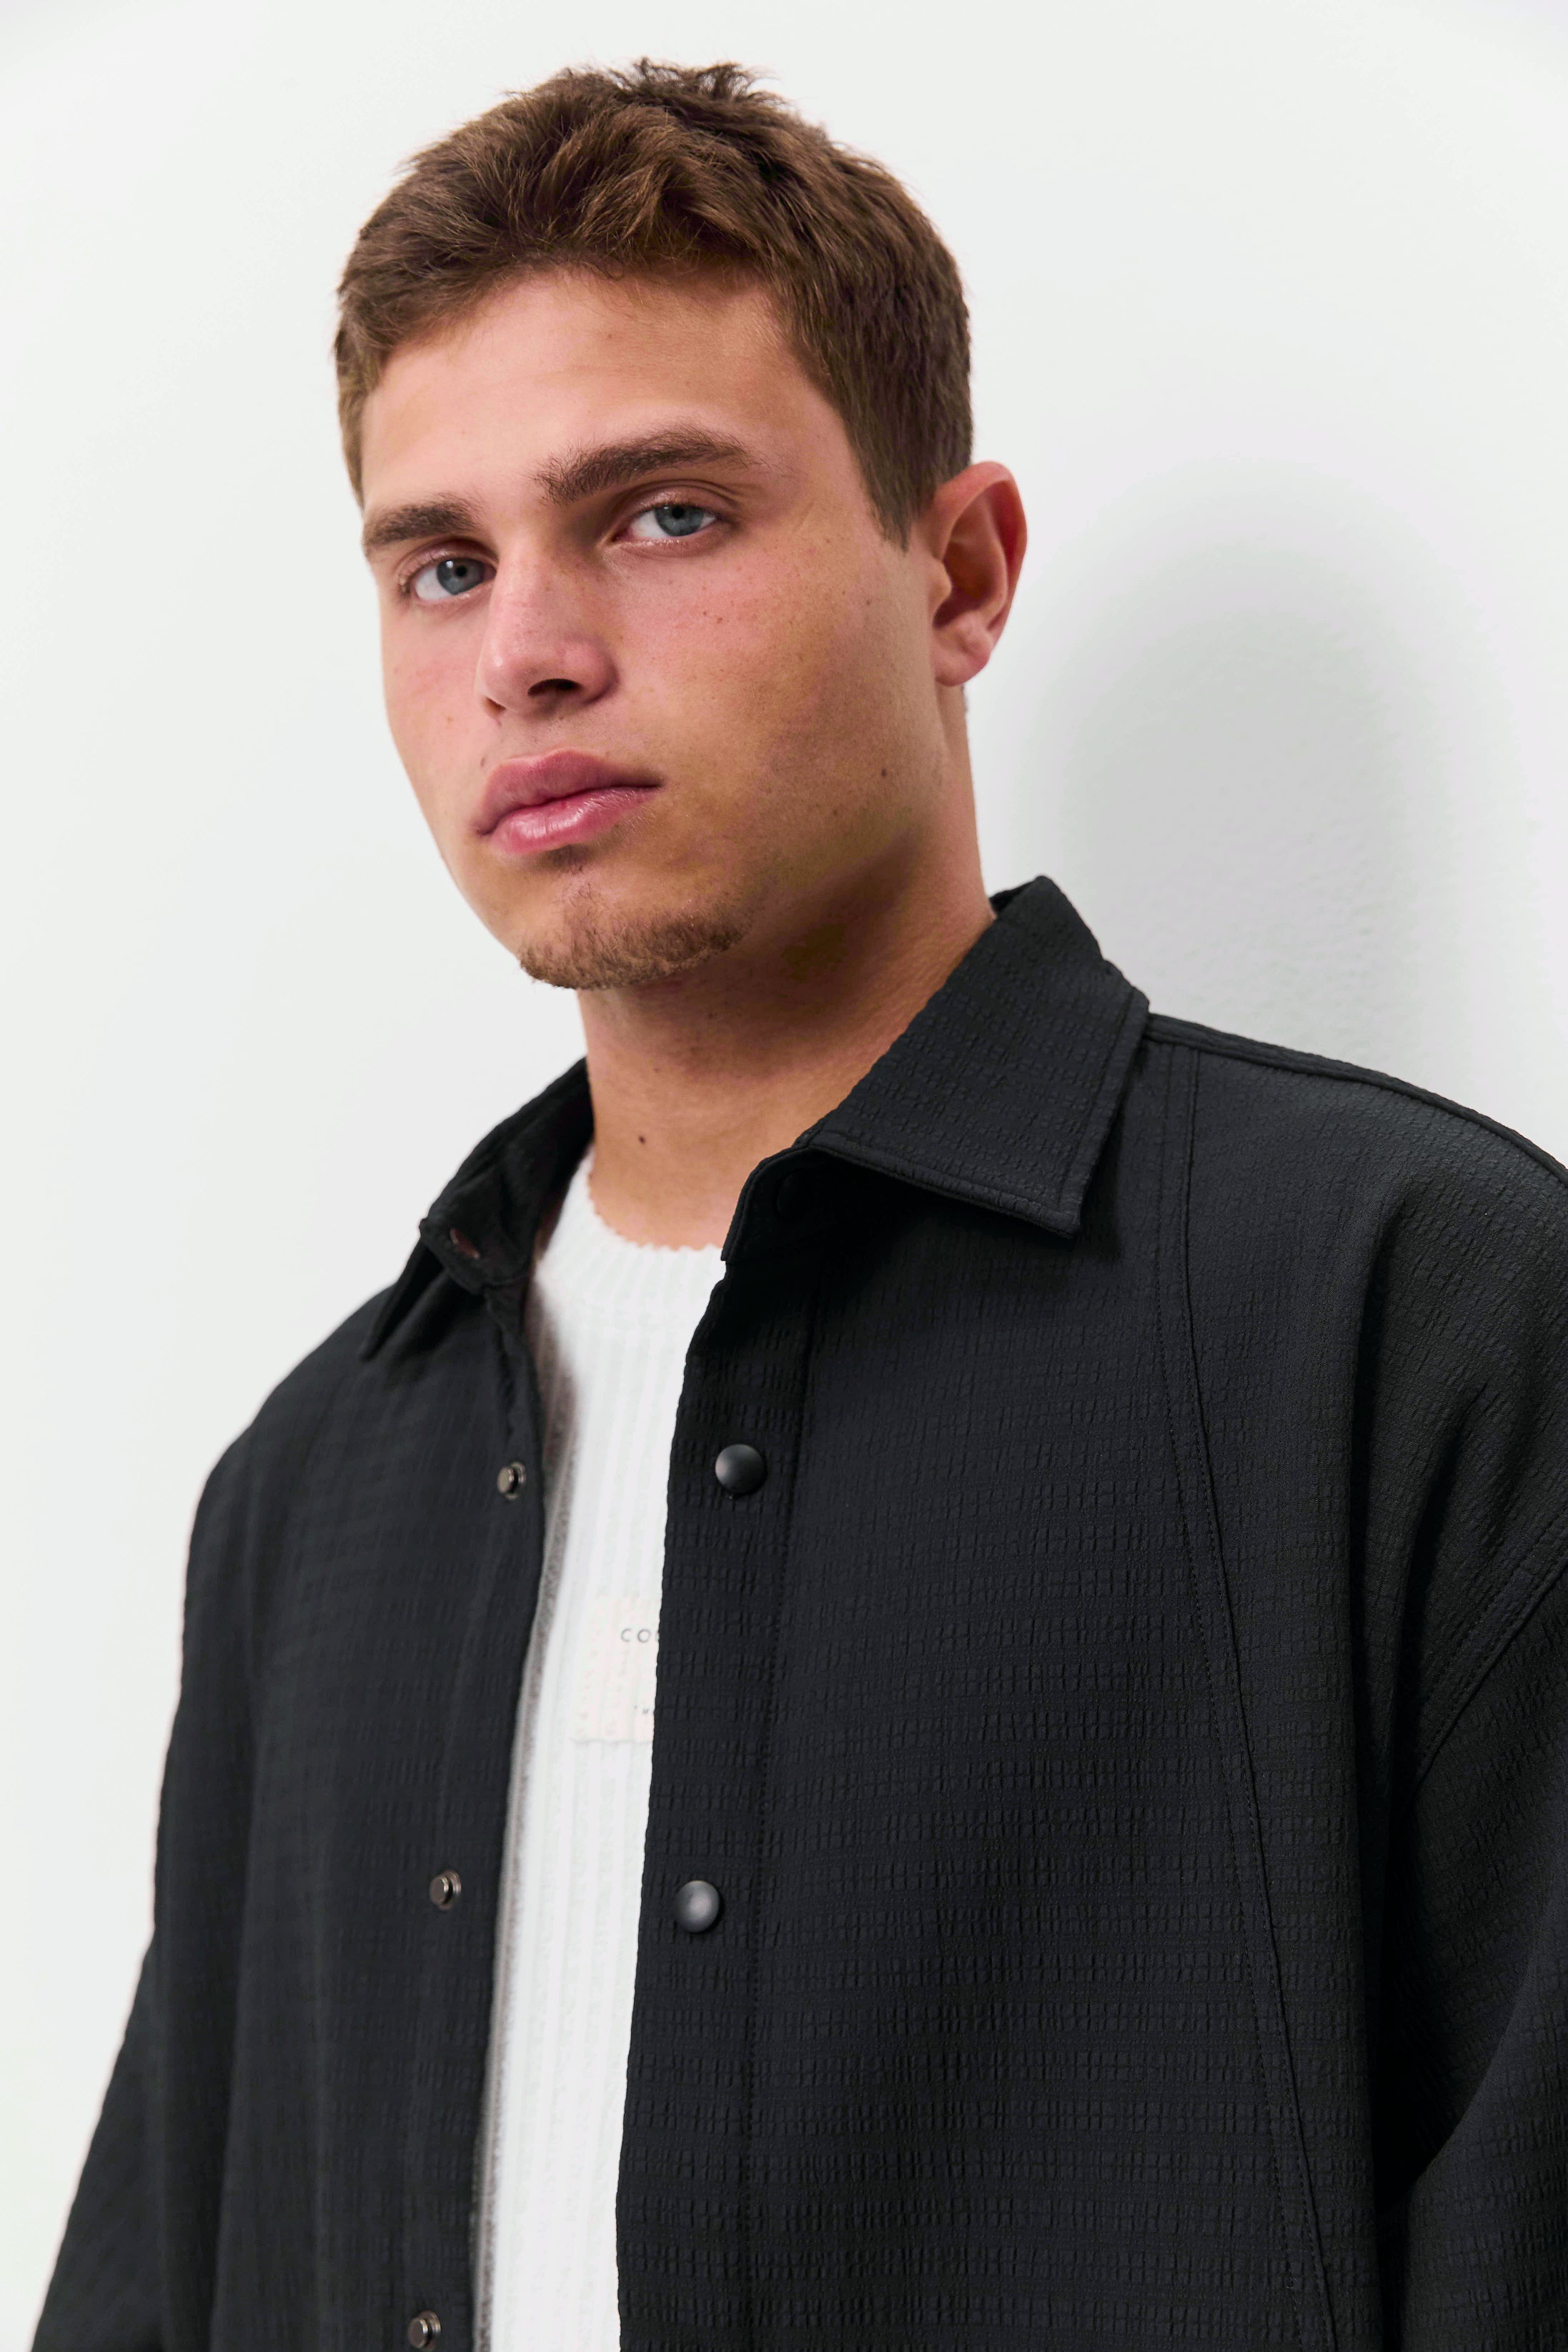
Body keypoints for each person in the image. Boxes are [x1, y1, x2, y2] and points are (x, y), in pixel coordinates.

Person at [35, 59, 1568, 2352]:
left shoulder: (1412, 1318)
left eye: (659, 514)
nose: (526, 650)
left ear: (959, 570)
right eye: (441, 565)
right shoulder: (314, 1490)